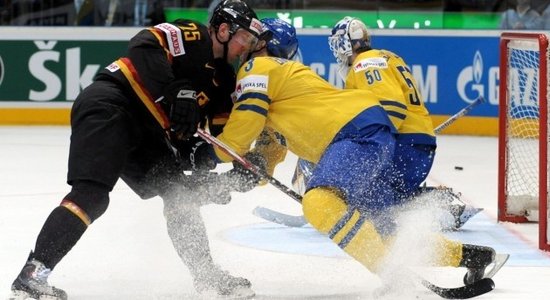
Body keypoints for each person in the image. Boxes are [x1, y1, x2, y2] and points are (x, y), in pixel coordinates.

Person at [198, 17, 497, 287]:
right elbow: (267, 153)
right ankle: (469, 256)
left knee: (318, 203)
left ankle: (390, 270)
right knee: (377, 229)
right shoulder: (281, 98)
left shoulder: (258, 68)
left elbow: (242, 126)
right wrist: (242, 175)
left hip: (359, 135)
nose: (240, 54)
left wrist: (209, 156)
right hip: (362, 137)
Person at [8, 1, 263, 299]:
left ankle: (207, 277)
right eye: (244, 38)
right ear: (222, 30)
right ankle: (32, 276)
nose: (245, 48)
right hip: (112, 103)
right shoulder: (194, 35)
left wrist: (234, 173)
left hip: (148, 131)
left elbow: (209, 144)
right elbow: (143, 43)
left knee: (179, 195)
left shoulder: (224, 83)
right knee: (92, 194)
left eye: (251, 42)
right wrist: (175, 88)